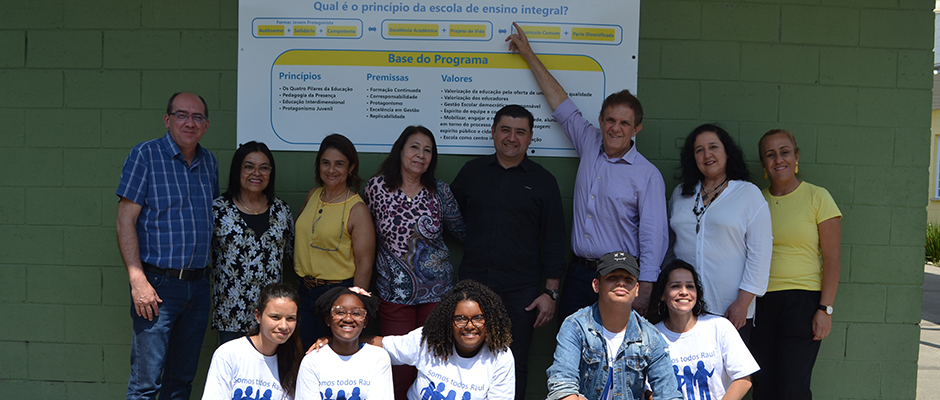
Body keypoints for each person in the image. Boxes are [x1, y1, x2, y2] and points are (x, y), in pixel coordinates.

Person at [506, 22, 668, 319]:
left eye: (624, 123)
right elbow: (560, 102)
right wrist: (528, 53)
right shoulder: (590, 142)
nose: (615, 128)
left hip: (622, 278)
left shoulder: (647, 175)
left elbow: (653, 239)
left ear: (636, 129)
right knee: (572, 350)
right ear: (601, 119)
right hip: (580, 274)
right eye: (609, 120)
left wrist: (643, 290)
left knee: (614, 356)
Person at [450, 105, 565, 399]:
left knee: (513, 361)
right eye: (505, 130)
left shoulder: (543, 181)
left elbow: (554, 239)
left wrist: (550, 293)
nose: (511, 138)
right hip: (473, 286)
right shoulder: (472, 173)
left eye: (520, 132)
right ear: (493, 133)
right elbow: (450, 219)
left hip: (521, 292)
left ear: (529, 139)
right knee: (465, 356)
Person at [116, 91, 218, 399]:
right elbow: (124, 221)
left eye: (197, 116)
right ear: (167, 119)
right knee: (146, 385)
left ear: (206, 124)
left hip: (199, 287)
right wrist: (138, 281)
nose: (190, 122)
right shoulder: (145, 155)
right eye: (182, 115)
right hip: (157, 287)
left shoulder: (209, 162)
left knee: (181, 381)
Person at [363, 125, 466, 399]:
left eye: (428, 150)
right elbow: (363, 232)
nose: (421, 155)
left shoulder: (440, 192)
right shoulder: (377, 188)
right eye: (414, 147)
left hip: (437, 293)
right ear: (401, 150)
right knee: (398, 367)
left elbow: (462, 231)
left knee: (433, 364)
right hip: (393, 293)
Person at [750, 129, 842, 399]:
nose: (779, 159)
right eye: (770, 154)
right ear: (764, 164)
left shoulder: (818, 197)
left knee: (793, 387)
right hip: (760, 302)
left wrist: (825, 309)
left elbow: (833, 258)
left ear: (796, 156)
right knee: (763, 384)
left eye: (784, 152)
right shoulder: (756, 200)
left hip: (802, 303)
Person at [310, 280, 515, 399]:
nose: (470, 326)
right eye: (460, 319)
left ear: (489, 321)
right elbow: (383, 345)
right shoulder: (429, 340)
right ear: (448, 321)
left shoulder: (500, 357)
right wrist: (336, 340)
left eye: (478, 318)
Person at [667, 124, 772, 343]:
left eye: (713, 147)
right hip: (684, 307)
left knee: (728, 376)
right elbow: (669, 246)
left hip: (730, 310)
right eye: (699, 150)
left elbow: (760, 255)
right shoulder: (680, 194)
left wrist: (742, 304)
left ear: (727, 152)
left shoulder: (747, 194)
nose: (707, 155)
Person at [546, 251, 681, 400]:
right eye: (612, 277)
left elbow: (668, 394)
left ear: (637, 289)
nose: (621, 283)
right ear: (596, 285)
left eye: (628, 279)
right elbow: (563, 388)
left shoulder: (651, 337)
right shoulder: (576, 326)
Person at [294, 133, 376, 349]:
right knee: (303, 356)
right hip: (304, 290)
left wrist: (353, 308)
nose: (331, 170)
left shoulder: (356, 209)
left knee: (330, 356)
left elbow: (365, 264)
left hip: (337, 294)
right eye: (326, 163)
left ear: (351, 168)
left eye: (339, 164)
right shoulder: (313, 195)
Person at [212, 141, 294, 344]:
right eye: (249, 166)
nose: (256, 173)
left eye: (264, 168)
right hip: (232, 314)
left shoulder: (282, 211)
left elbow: (291, 254)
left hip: (274, 317)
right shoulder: (218, 210)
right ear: (237, 170)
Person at [648, 260, 759, 400]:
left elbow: (743, 379)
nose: (684, 292)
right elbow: (650, 391)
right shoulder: (652, 336)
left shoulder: (719, 326)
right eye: (675, 286)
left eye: (690, 286)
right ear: (662, 294)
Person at [203, 283, 303, 400]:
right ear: (258, 316)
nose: (283, 326)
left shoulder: (293, 362)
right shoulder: (228, 353)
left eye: (290, 318)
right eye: (275, 317)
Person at [296, 286, 393, 399]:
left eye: (356, 313)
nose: (348, 318)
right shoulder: (312, 361)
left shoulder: (378, 358)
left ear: (365, 321)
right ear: (328, 319)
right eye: (340, 312)